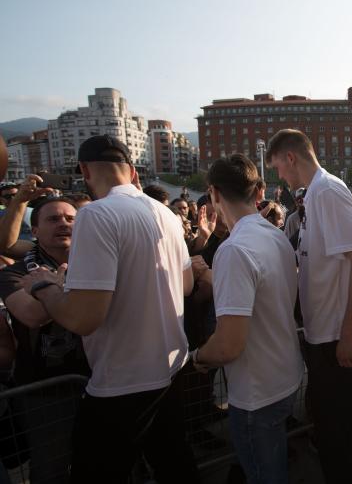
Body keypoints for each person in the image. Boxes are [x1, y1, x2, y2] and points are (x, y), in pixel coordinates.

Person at [20, 135, 198, 483]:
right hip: (170, 370)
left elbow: (84, 318)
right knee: (175, 465)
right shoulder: (165, 213)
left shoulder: (96, 215)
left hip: (121, 382)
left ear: (85, 170)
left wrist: (45, 288)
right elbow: (187, 284)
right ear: (132, 171)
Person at [266, 129, 352, 484]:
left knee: (337, 435)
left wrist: (347, 335)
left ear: (291, 158)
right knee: (328, 431)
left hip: (335, 337)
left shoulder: (327, 191)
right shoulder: (314, 195)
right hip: (323, 333)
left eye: (278, 166)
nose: (279, 175)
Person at [191, 155, 303, 483]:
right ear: (258, 191)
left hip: (257, 393)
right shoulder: (274, 236)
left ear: (213, 193)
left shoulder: (234, 249)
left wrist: (197, 357)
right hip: (284, 376)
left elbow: (228, 344)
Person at [0, 197, 89, 483]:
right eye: (53, 219)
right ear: (34, 231)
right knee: (52, 467)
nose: (64, 223)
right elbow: (31, 315)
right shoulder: (14, 273)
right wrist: (58, 286)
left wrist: (52, 289)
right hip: (45, 391)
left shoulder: (97, 265)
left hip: (98, 382)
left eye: (70, 218)